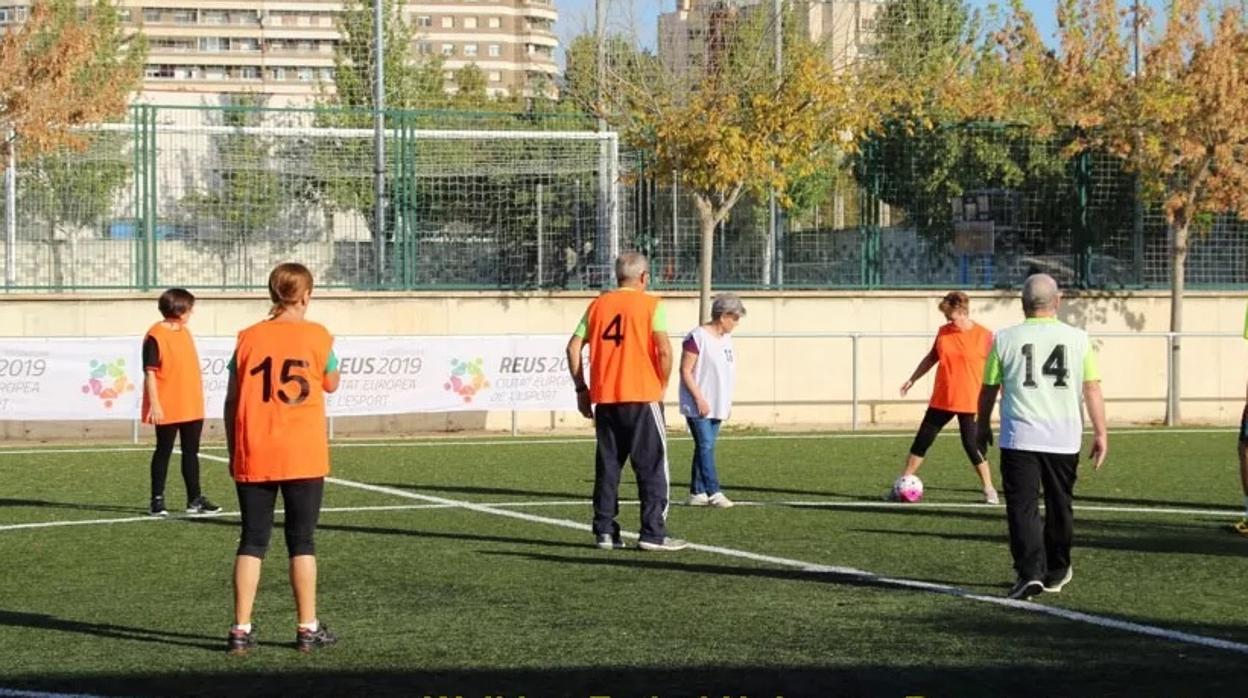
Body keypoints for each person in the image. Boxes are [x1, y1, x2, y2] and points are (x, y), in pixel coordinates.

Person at [223, 263, 341, 655]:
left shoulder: (248, 338)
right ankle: (307, 627)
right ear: (306, 295)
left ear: (272, 293)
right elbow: (332, 382)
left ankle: (240, 628)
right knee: (302, 542)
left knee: (252, 540)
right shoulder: (318, 335)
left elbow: (231, 399)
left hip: (255, 449)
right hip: (302, 453)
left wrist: (232, 449)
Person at [976, 274, 1108, 600]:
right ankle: (1058, 568)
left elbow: (989, 388)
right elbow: (1091, 387)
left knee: (1022, 507)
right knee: (1059, 503)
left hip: (1020, 435)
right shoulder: (1079, 339)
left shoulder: (1004, 339)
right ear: (1058, 301)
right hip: (1064, 435)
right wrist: (1101, 432)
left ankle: (1030, 572)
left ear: (1022, 304)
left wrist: (981, 426)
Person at [566, 251, 686, 552]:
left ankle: (605, 531)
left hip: (606, 399)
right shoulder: (650, 305)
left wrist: (582, 389)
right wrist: (662, 384)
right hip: (642, 395)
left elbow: (572, 348)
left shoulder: (598, 305)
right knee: (652, 466)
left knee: (608, 466)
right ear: (644, 277)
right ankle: (652, 533)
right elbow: (664, 351)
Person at [895, 291, 999, 504]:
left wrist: (1005, 393)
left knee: (972, 446)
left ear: (962, 311)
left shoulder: (985, 335)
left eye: (950, 316)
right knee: (922, 441)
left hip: (970, 400)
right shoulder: (943, 333)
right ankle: (902, 483)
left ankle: (989, 489)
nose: (947, 320)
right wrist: (912, 379)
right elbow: (932, 357)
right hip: (943, 398)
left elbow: (997, 368)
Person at [142, 288, 220, 517]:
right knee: (164, 450)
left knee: (191, 451)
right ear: (178, 309)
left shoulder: (184, 332)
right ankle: (157, 500)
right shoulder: (156, 335)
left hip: (191, 402)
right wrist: (155, 404)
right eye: (189, 307)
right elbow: (150, 372)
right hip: (168, 403)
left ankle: (194, 499)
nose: (191, 312)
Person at [679, 293, 746, 508]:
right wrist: (699, 398)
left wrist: (725, 401)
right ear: (724, 316)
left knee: (704, 446)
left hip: (718, 403)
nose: (736, 323)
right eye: (735, 318)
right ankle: (714, 491)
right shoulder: (697, 337)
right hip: (699, 404)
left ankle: (697, 492)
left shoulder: (726, 339)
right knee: (706, 445)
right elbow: (686, 371)